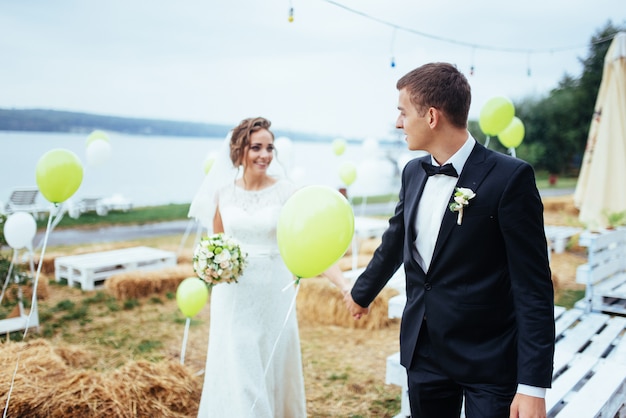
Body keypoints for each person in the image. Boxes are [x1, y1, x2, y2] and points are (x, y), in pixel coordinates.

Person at [343, 63, 555, 418]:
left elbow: (533, 286)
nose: (398, 123)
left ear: (430, 116)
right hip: (424, 352)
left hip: (490, 360)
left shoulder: (510, 178)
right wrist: (361, 293)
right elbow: (395, 242)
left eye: (402, 112)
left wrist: (533, 386)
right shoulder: (413, 173)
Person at [189, 117, 350, 417]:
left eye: (269, 148)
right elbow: (218, 242)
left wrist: (343, 284)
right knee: (240, 363)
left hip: (273, 290)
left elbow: (312, 243)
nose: (264, 155)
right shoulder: (222, 193)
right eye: (256, 147)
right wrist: (211, 266)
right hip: (233, 295)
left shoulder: (287, 192)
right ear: (240, 150)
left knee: (271, 361)